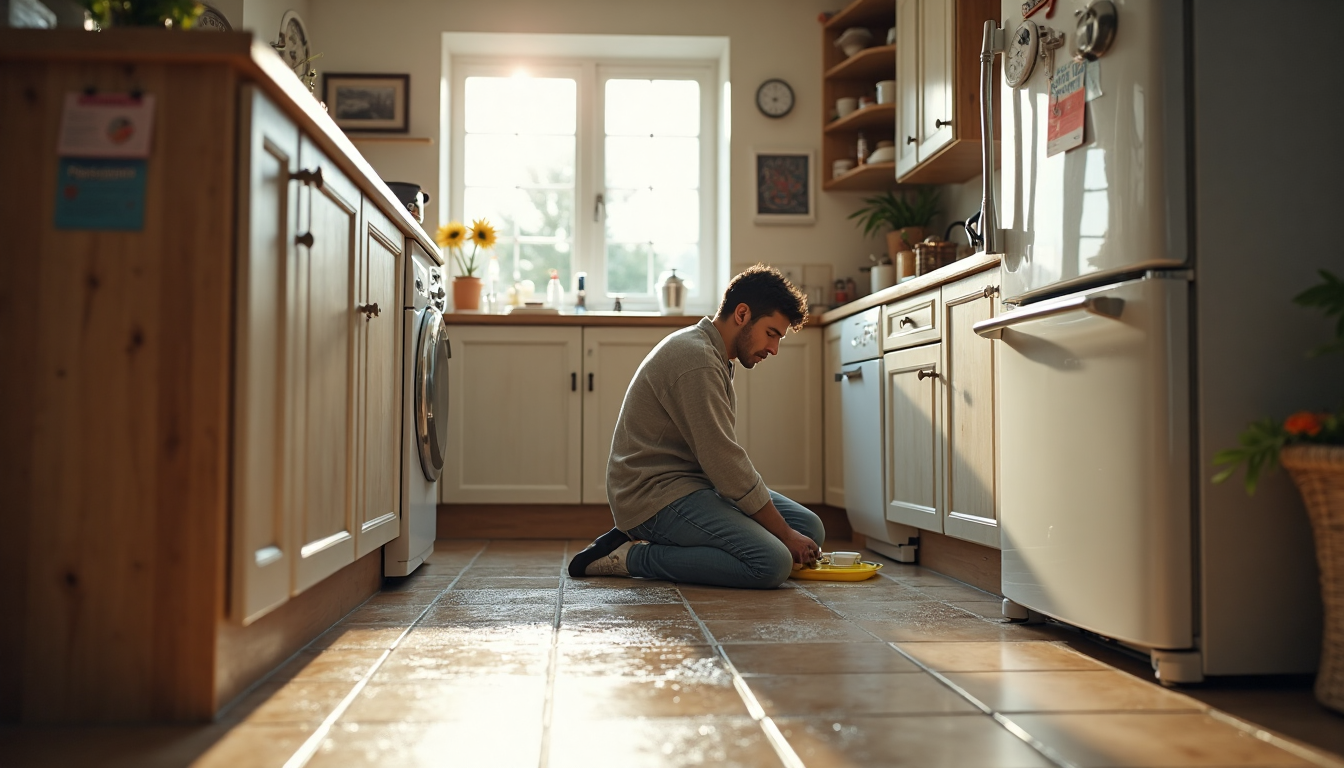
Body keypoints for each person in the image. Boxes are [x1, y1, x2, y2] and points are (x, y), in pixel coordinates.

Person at [567, 264, 824, 589]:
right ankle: (631, 556)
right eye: (771, 333)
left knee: (810, 529)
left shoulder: (713, 353)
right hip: (652, 494)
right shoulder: (697, 361)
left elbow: (720, 466)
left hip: (694, 484)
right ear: (742, 314)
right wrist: (783, 535)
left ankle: (685, 542)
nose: (773, 348)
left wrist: (788, 532)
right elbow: (724, 463)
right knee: (771, 562)